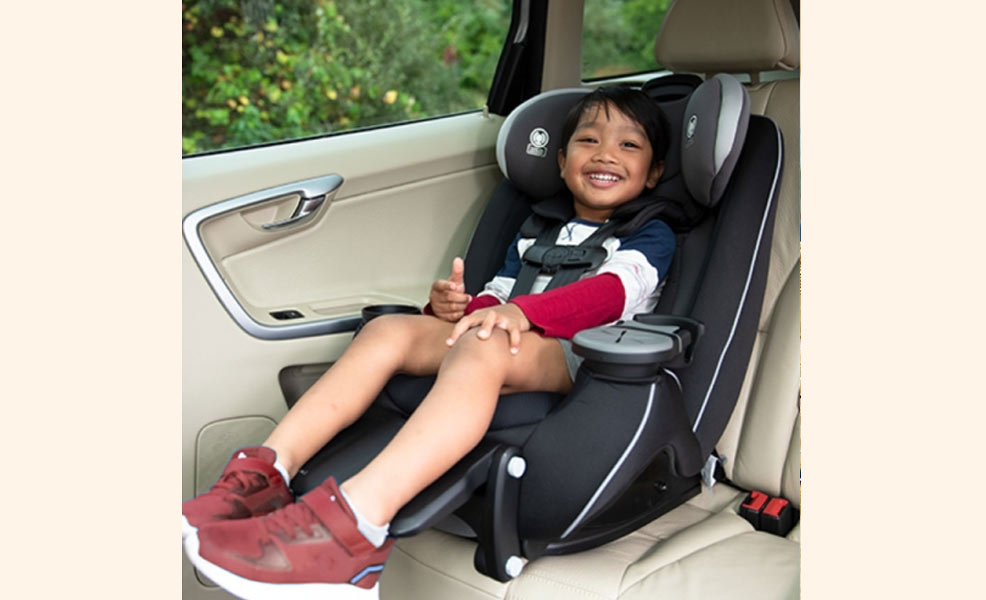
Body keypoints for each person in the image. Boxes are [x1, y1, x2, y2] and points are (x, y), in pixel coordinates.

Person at [181, 86, 675, 599]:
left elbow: (610, 295)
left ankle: (355, 531)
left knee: (483, 344)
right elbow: (498, 295)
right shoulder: (538, 229)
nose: (604, 155)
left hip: (580, 354)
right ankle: (262, 476)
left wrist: (514, 315)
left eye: (628, 146)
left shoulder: (649, 233)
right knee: (388, 330)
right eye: (588, 140)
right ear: (561, 158)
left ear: (654, 172)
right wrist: (456, 311)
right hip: (505, 334)